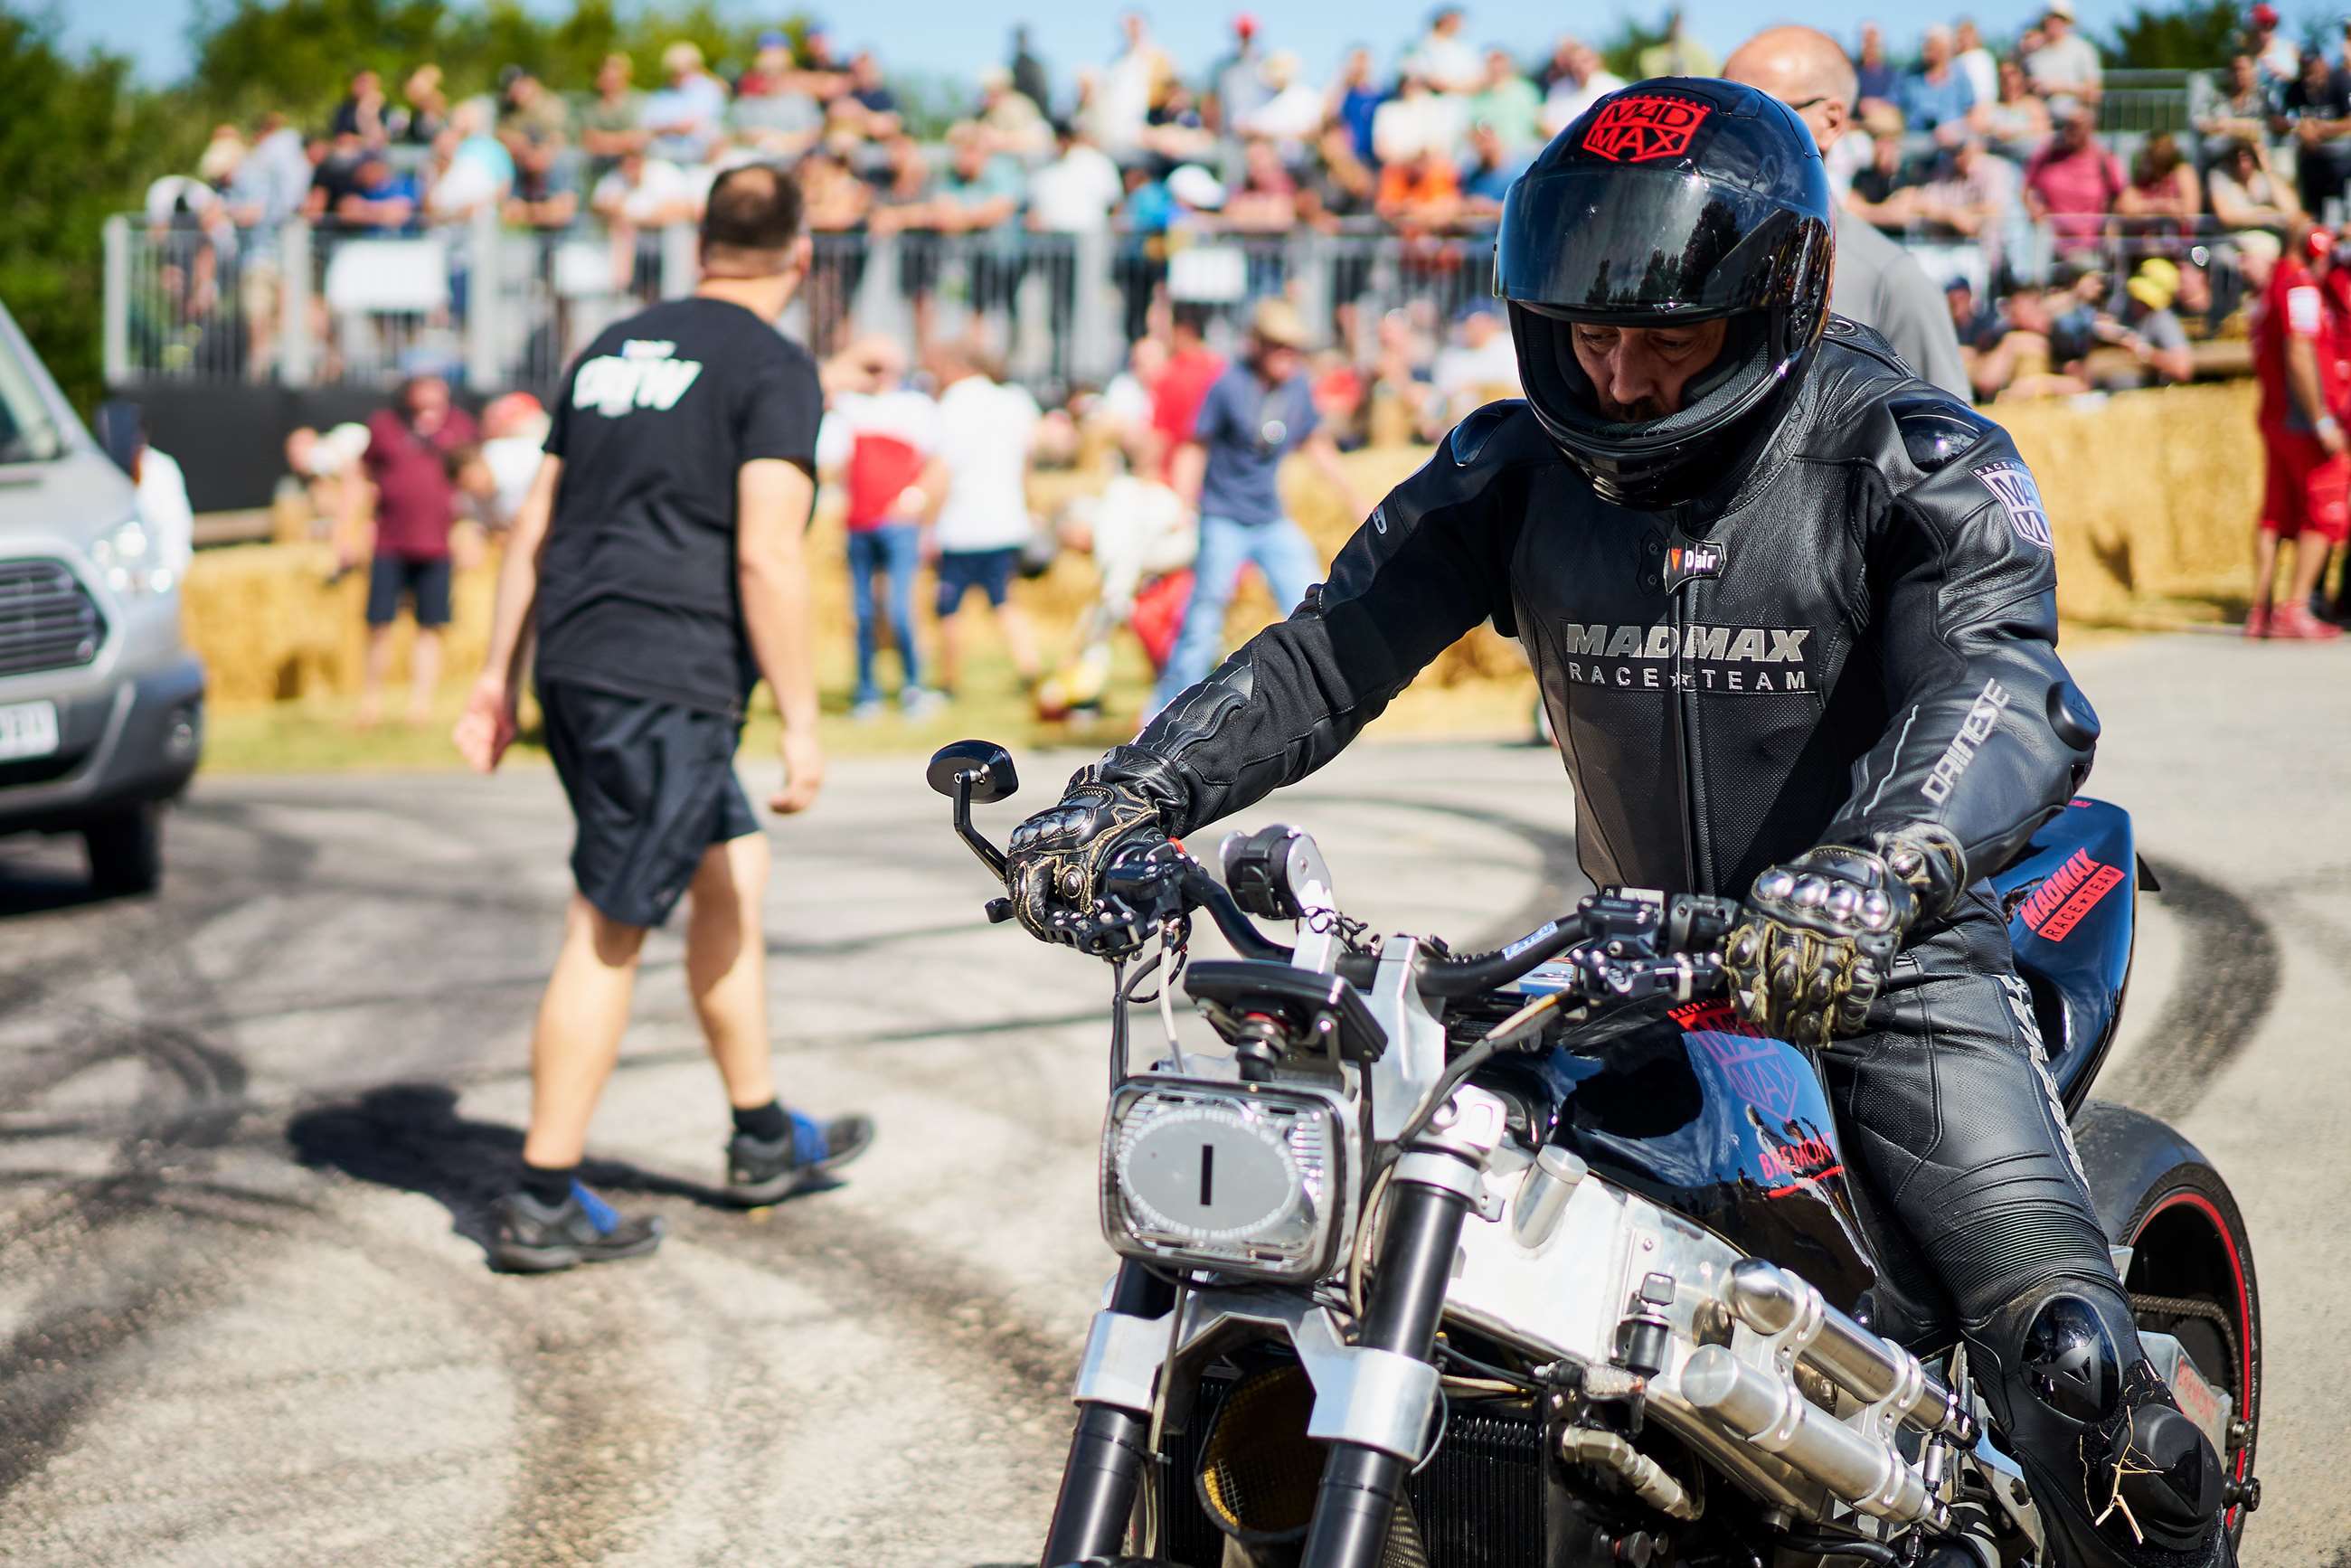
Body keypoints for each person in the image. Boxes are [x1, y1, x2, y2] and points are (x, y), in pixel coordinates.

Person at [1010, 78, 2238, 1568]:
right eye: (1588, 330)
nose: (1622, 373)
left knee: (2074, 1363)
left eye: (1666, 334)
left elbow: (2005, 681)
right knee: (1434, 1247)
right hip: (1623, 964)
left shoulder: (1913, 452)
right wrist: (1131, 795)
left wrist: (1873, 868)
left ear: (1775, 296)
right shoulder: (1513, 463)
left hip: (1886, 966)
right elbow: (1333, 649)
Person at [451, 164, 872, 1271]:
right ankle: (542, 1195)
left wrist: (498, 675)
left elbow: (530, 523)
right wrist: (802, 721)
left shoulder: (612, 348)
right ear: (800, 254)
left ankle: (761, 1134)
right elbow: (764, 552)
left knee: (730, 866)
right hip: (666, 677)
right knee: (610, 924)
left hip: (584, 659)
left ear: (700, 244)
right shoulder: (773, 366)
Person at [1724, 27, 1972, 400]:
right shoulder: (1696, 253)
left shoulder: (1892, 282)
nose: (1726, 132)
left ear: (1832, 122)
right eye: (1721, 111)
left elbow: (1952, 444)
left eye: (1758, 111)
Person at [1149, 298, 1365, 714]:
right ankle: (1164, 713)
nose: (1288, 356)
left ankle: (1325, 705)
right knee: (1203, 617)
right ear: (1259, 345)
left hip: (1270, 519)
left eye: (1294, 349)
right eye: (1279, 347)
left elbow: (1316, 445)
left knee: (1311, 602)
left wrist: (1352, 495)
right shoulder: (1229, 384)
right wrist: (1182, 504)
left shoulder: (1298, 388)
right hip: (1224, 517)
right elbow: (1195, 446)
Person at [817, 337, 946, 717]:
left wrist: (917, 504)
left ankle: (913, 684)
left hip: (895, 522)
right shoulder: (849, 409)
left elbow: (938, 465)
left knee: (899, 608)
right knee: (862, 611)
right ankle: (867, 691)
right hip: (859, 522)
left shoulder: (914, 407)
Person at [353, 375, 475, 728]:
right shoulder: (385, 426)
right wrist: (354, 526)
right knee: (379, 624)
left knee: (431, 626)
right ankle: (370, 703)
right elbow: (362, 476)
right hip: (390, 542)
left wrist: (468, 532)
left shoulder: (459, 428)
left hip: (437, 545)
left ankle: (420, 706)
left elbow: (471, 483)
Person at [2247, 228, 2349, 638]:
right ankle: (2295, 609)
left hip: (2277, 416)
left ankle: (2261, 611)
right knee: (2327, 508)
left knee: (2275, 514)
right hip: (2303, 421)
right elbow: (2300, 350)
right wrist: (2322, 418)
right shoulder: (2300, 287)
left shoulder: (2273, 283)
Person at [927, 342, 1045, 696]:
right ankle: (1030, 666)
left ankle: (948, 680)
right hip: (1005, 520)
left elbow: (943, 467)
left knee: (949, 607)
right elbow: (1028, 459)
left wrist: (924, 515)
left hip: (962, 524)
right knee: (1004, 601)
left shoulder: (952, 405)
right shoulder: (1013, 400)